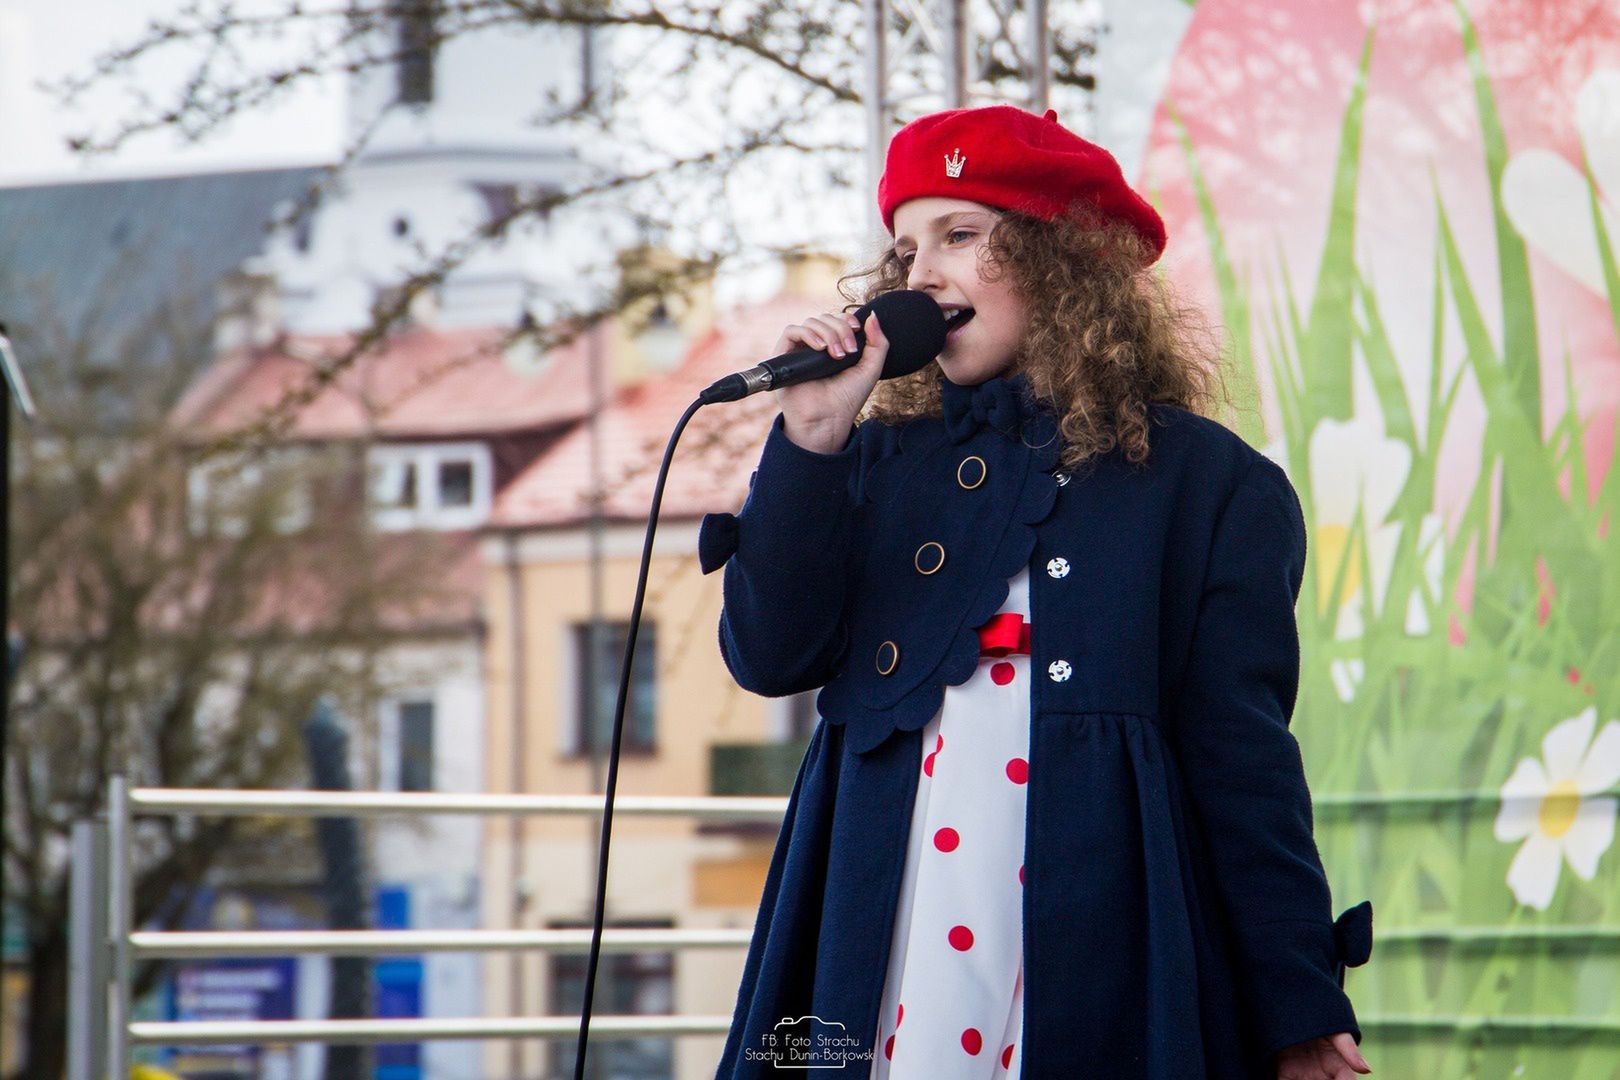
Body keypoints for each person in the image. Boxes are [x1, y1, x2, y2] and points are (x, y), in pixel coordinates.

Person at [697, 103, 1375, 1079]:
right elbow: (769, 655)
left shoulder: (1208, 485)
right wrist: (809, 440)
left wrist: (1296, 998)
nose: (922, 273)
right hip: (890, 922)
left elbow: (1245, 764)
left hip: (1103, 925)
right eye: (903, 251)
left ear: (1067, 265)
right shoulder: (869, 462)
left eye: (961, 236)